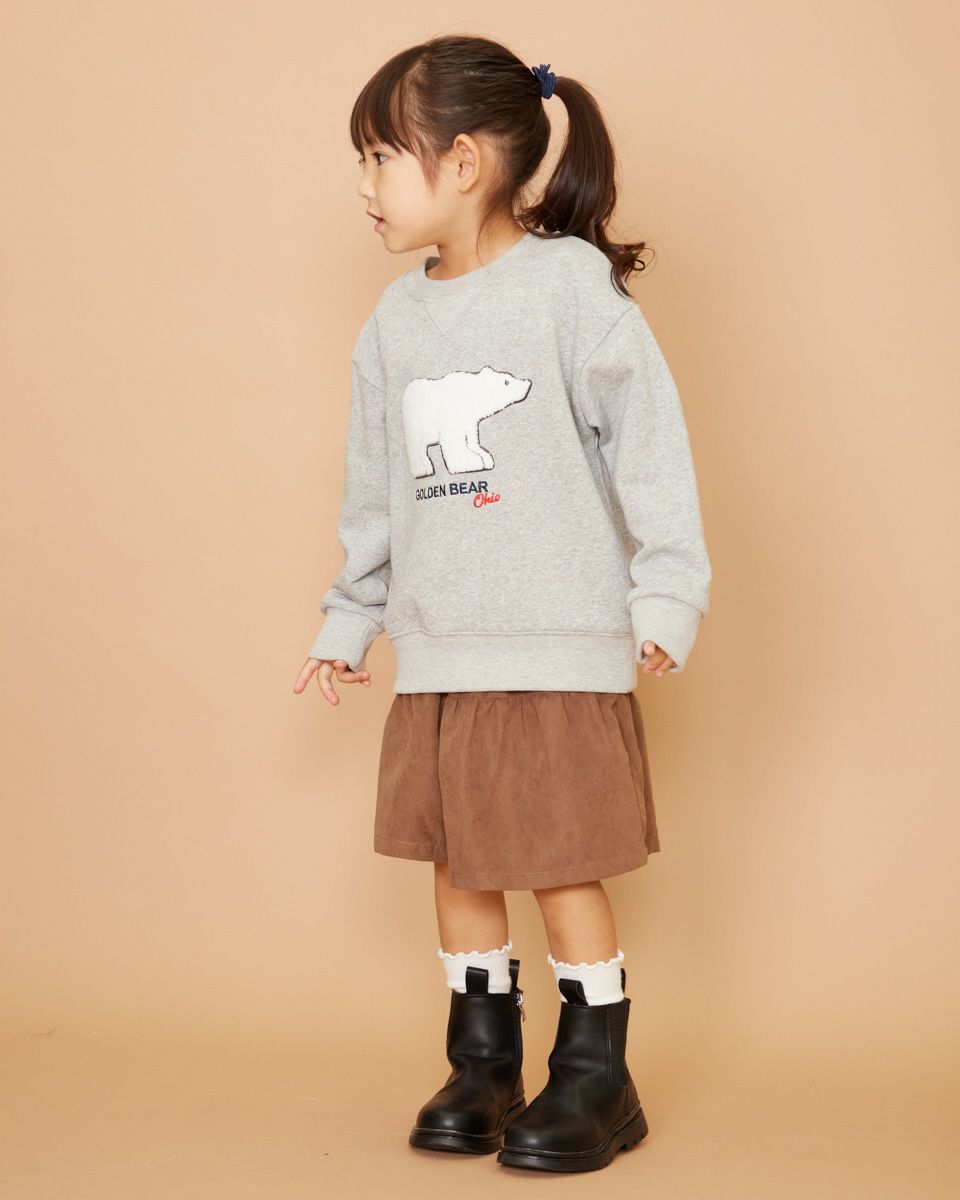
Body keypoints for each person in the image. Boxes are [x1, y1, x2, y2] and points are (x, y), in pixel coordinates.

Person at [292, 35, 712, 1174]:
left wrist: (667, 592)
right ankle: (483, 1061)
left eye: (382, 156)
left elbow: (650, 449)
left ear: (465, 161)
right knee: (459, 864)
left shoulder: (569, 291)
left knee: (559, 859)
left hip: (556, 643)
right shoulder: (394, 323)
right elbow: (375, 490)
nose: (365, 184)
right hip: (442, 648)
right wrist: (349, 619)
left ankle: (595, 1074)